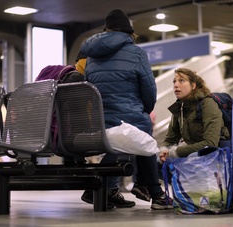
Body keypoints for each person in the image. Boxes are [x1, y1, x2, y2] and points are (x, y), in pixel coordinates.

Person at [79, 9, 173, 210]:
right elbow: (149, 89)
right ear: (129, 32)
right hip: (127, 118)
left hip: (100, 121)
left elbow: (87, 89)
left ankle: (107, 188)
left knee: (131, 134)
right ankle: (154, 193)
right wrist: (145, 110)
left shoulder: (92, 57)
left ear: (107, 30)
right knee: (141, 132)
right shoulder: (137, 53)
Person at [158, 68, 229, 163]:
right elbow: (171, 138)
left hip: (213, 159)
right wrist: (164, 150)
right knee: (157, 163)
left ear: (193, 85)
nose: (176, 85)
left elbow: (211, 143)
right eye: (174, 81)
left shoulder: (207, 104)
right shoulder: (180, 107)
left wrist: (176, 151)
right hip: (194, 157)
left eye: (181, 81)